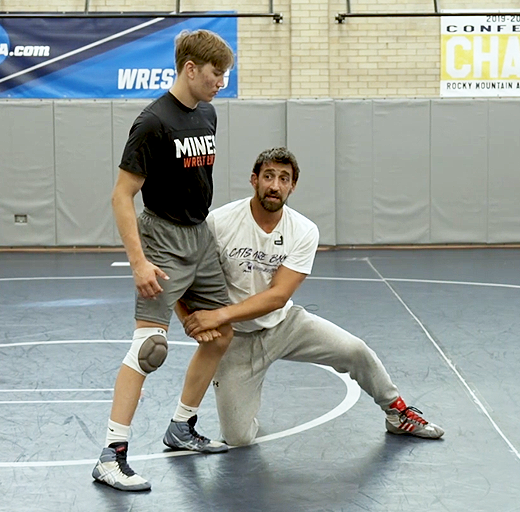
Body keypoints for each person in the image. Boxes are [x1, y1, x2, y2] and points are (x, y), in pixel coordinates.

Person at [177, 147, 444, 448]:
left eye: (284, 178)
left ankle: (397, 412)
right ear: (254, 180)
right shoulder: (220, 222)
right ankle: (245, 398)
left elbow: (278, 296)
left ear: (293, 186)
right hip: (236, 340)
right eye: (268, 176)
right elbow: (186, 277)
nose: (275, 185)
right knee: (238, 438)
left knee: (354, 350)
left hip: (284, 326)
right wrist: (190, 319)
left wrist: (219, 315)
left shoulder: (303, 231)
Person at [91, 29, 235, 493]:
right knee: (149, 349)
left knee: (218, 333)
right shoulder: (152, 122)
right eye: (216, 74)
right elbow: (121, 195)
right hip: (162, 242)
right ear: (190, 69)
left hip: (201, 237)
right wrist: (138, 263)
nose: (221, 83)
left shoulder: (208, 114)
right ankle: (111, 456)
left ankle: (181, 426)